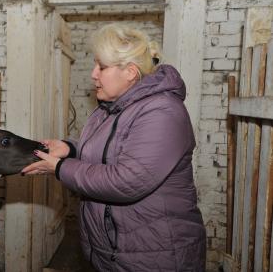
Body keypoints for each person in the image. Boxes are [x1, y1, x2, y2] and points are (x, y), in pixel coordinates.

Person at [21, 23, 206, 271]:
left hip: (156, 255)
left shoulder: (163, 112)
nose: (93, 74)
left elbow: (126, 181)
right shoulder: (109, 107)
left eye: (102, 67)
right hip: (117, 251)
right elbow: (111, 151)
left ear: (130, 72)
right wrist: (69, 149)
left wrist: (61, 168)